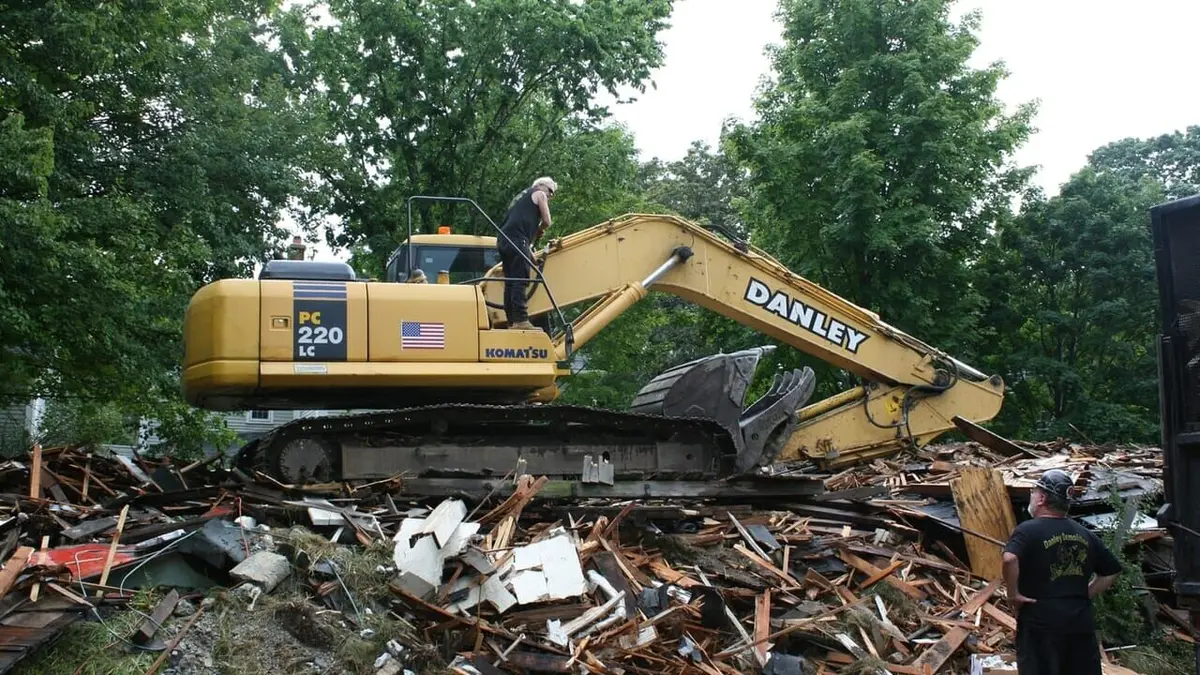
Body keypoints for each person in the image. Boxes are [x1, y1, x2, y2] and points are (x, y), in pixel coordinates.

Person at [1002, 469, 1123, 675]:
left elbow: (1009, 558)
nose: (1032, 495)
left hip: (1040, 625)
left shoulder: (1027, 530)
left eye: (1034, 491)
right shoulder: (1085, 534)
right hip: (1079, 624)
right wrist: (1084, 593)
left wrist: (1013, 595)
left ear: (1041, 498)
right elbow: (1112, 571)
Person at [497, 177, 555, 330]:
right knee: (520, 279)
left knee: (510, 280)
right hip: (517, 241)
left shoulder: (520, 200)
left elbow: (520, 237)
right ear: (541, 186)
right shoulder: (539, 193)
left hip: (503, 240)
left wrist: (533, 259)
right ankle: (521, 320)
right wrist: (539, 229)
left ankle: (511, 320)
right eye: (550, 191)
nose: (550, 196)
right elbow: (547, 221)